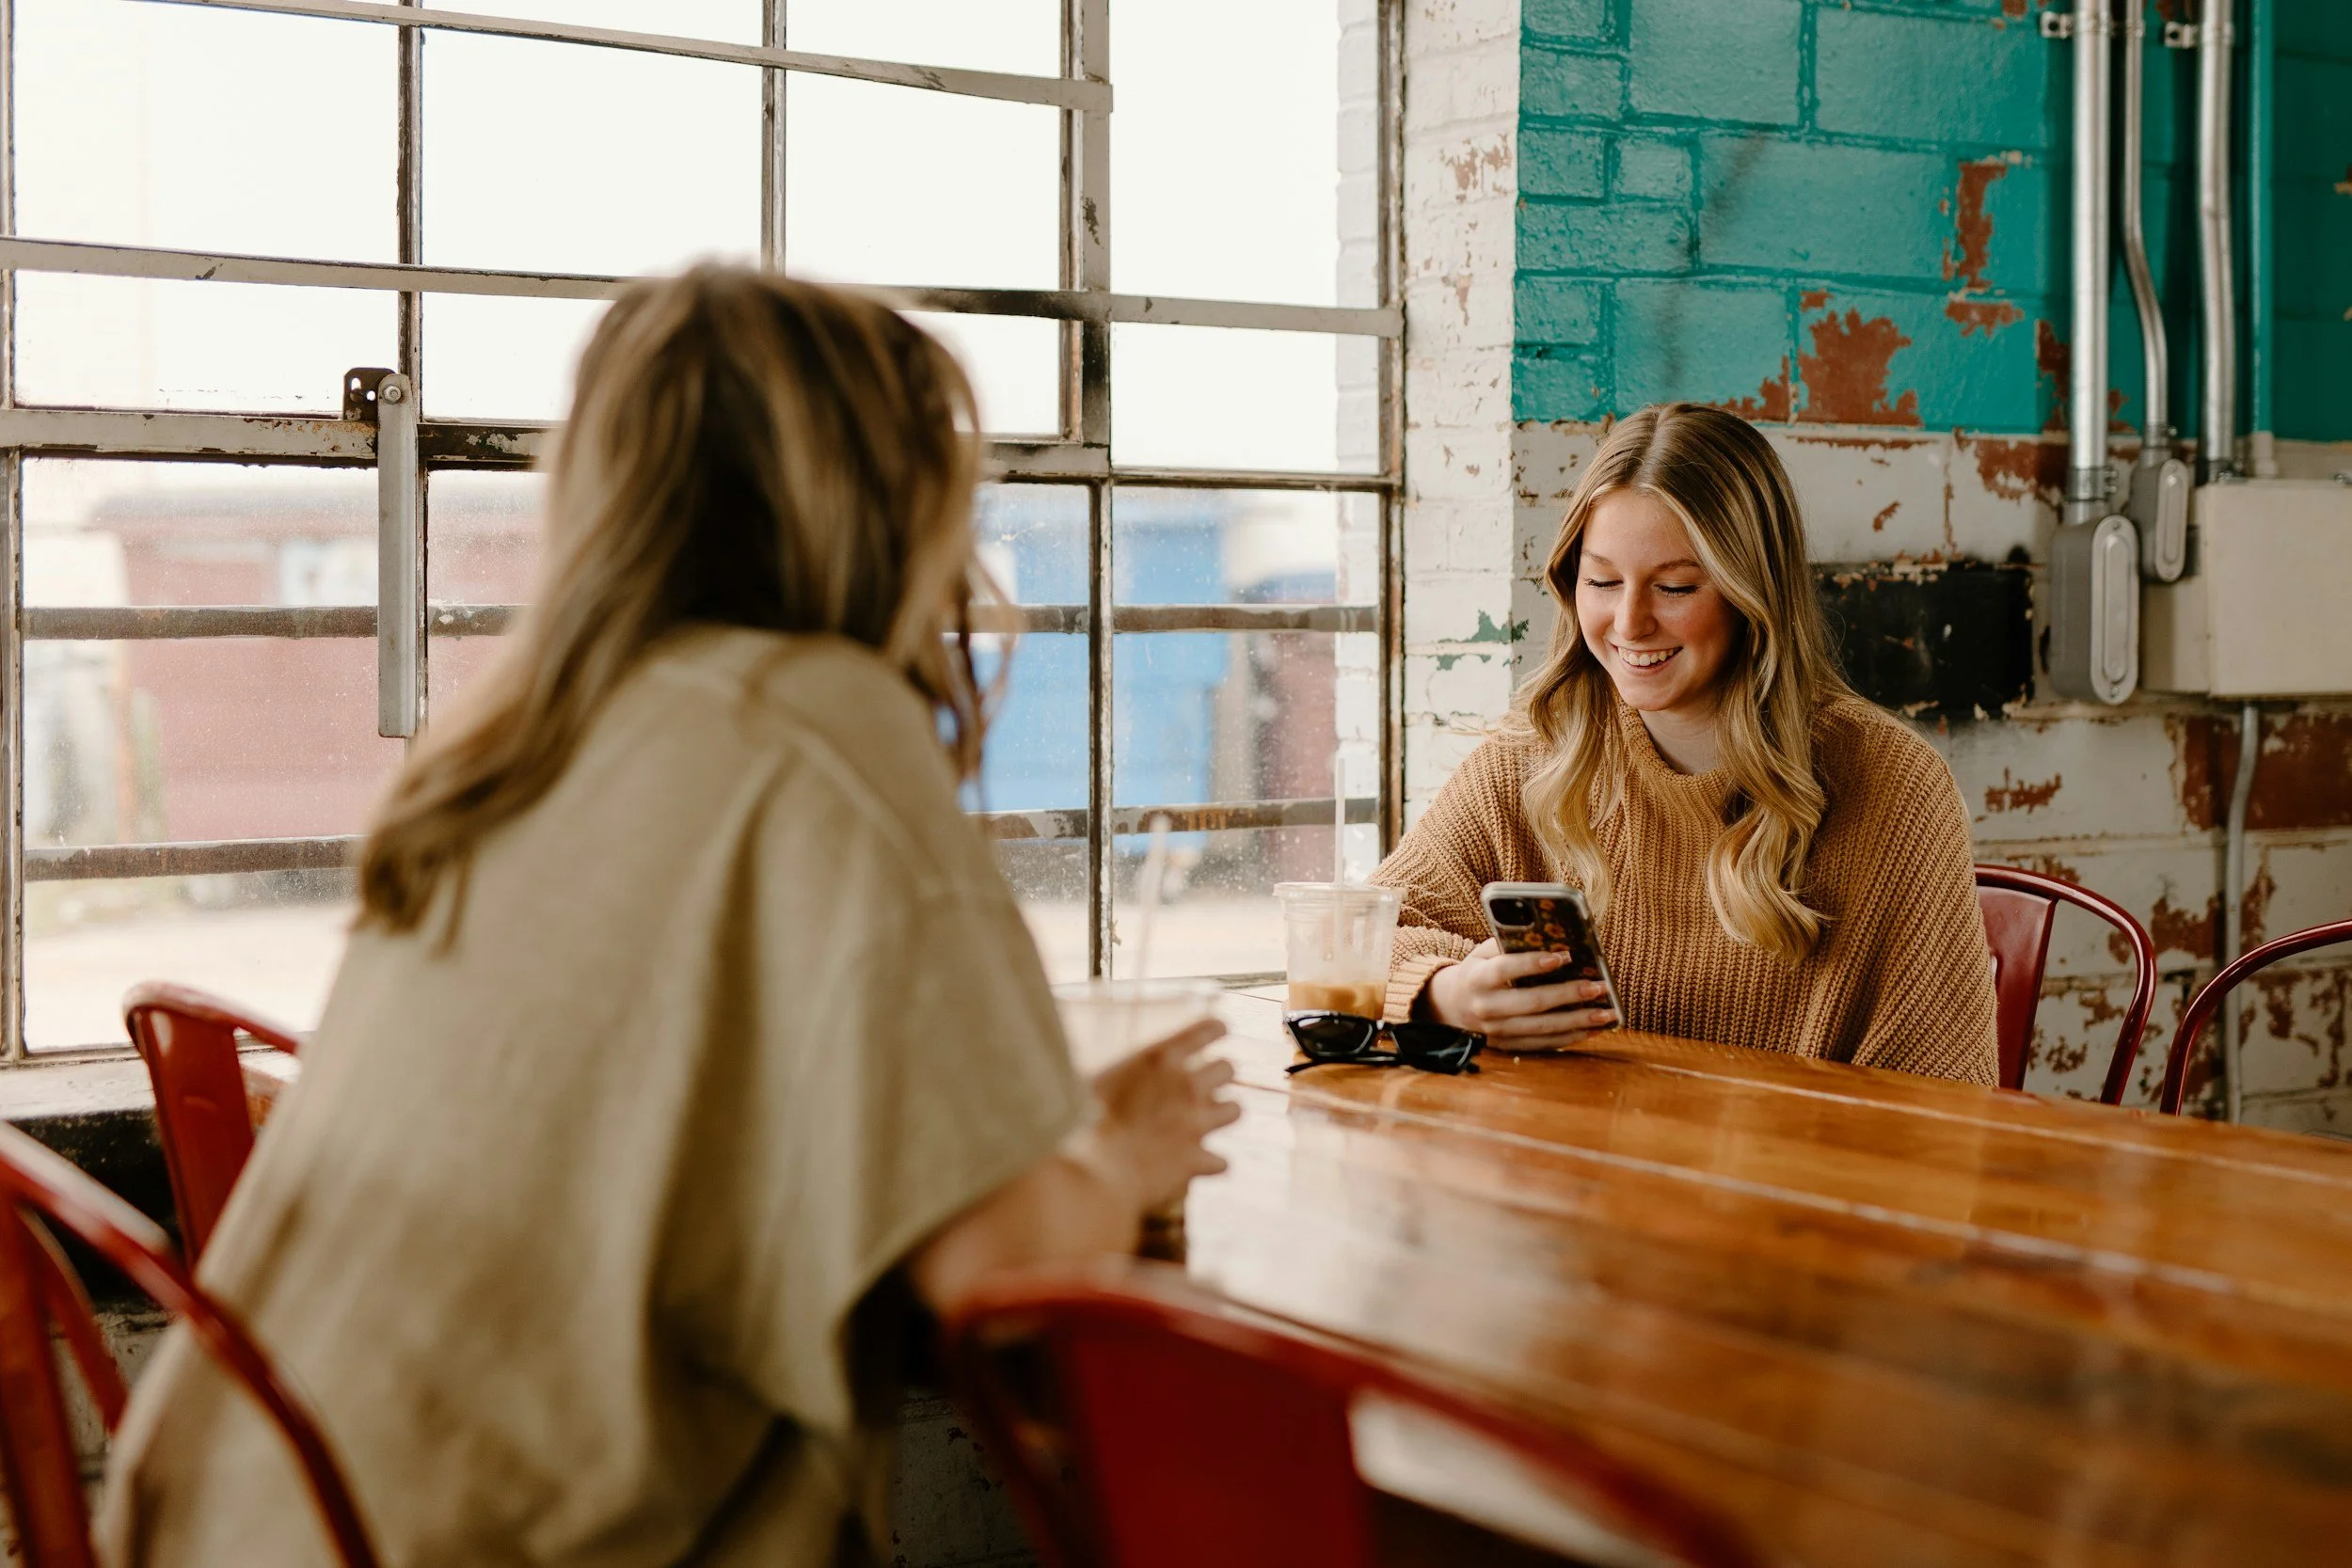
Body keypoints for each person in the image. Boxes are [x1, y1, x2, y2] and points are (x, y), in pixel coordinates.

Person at [99, 269, 1237, 1565]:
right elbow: (992, 1266)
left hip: (229, 1504)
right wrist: (1119, 1154)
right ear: (883, 493)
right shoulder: (820, 721)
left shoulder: (520, 736)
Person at [1371, 403, 1998, 1083]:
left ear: (1751, 594)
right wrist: (1446, 994)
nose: (1630, 622)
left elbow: (1946, 1101)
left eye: (1674, 586)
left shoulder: (1895, 787)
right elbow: (1360, 941)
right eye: (1603, 581)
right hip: (1578, 1177)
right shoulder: (1534, 754)